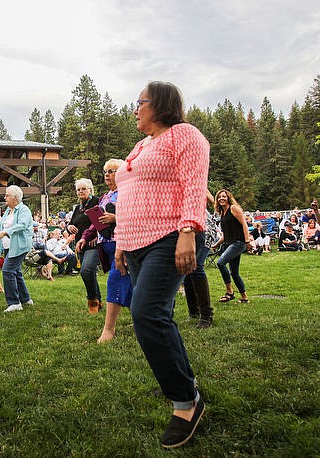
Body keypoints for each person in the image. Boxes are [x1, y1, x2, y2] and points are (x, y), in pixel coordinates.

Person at [113, 81, 208, 448]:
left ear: (161, 104)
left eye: (140, 102)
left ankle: (186, 402)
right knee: (157, 316)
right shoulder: (140, 145)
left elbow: (193, 184)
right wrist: (121, 242)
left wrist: (187, 230)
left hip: (170, 235)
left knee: (147, 314)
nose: (135, 109)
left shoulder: (185, 135)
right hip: (135, 241)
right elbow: (128, 195)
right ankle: (184, 380)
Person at [76, 158, 132, 342]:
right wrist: (85, 237)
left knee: (115, 281)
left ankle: (109, 329)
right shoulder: (105, 197)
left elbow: (135, 216)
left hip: (123, 244)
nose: (107, 174)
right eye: (105, 171)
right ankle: (143, 317)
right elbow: (96, 222)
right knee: (129, 285)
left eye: (112, 171)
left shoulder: (129, 192)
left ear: (122, 172)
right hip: (106, 245)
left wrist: (115, 218)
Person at [0, 185, 34, 313]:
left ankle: (14, 302)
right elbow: (0, 226)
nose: (4, 197)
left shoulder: (24, 209)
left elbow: (22, 225)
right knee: (16, 272)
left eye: (7, 195)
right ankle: (25, 299)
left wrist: (4, 233)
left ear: (15, 197)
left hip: (19, 246)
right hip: (8, 246)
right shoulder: (8, 210)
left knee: (7, 271)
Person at [183, 190, 217, 329]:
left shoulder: (193, 178)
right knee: (187, 269)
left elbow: (211, 200)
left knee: (196, 268)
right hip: (186, 227)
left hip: (204, 227)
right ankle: (194, 312)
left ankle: (206, 315)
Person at [212, 189, 252, 304]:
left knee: (220, 263)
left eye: (224, 196)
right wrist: (217, 244)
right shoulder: (222, 213)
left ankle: (229, 292)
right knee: (234, 272)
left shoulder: (233, 209)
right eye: (219, 197)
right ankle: (244, 298)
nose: (222, 199)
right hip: (229, 243)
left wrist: (247, 240)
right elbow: (225, 234)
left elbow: (244, 224)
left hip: (238, 243)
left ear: (228, 197)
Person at [69, 178, 102, 313]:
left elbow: (101, 219)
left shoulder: (97, 201)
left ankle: (92, 300)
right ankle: (98, 300)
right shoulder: (78, 207)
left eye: (84, 189)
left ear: (90, 189)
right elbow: (71, 223)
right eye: (78, 189)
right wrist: (69, 227)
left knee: (86, 270)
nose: (81, 191)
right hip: (80, 245)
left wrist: (97, 234)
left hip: (93, 244)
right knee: (89, 273)